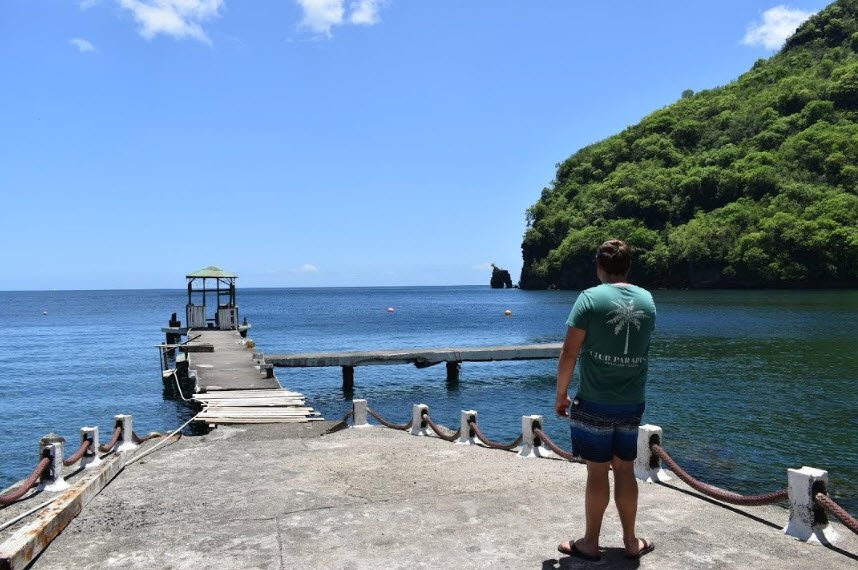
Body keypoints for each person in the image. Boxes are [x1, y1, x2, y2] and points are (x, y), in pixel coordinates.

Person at [555, 239, 657, 561]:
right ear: (627, 267)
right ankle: (630, 542)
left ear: (600, 266)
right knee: (625, 470)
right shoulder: (647, 301)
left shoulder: (589, 299)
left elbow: (569, 351)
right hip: (631, 402)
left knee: (597, 472)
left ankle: (590, 543)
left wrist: (561, 395)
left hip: (595, 401)